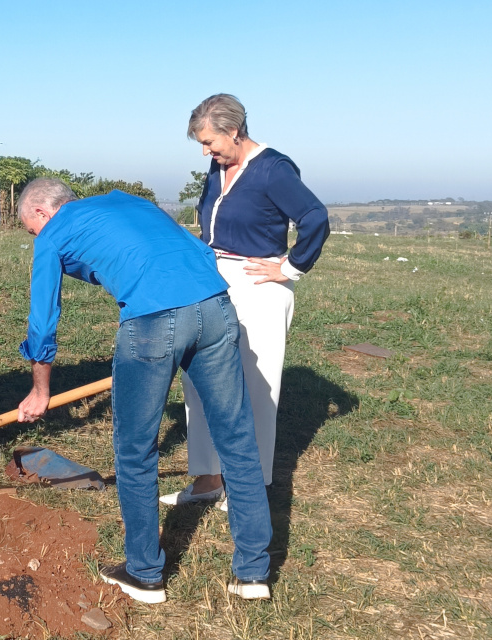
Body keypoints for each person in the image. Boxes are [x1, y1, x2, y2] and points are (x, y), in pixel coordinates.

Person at [14, 178, 272, 604]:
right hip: (217, 306)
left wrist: (40, 391)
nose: (35, 237)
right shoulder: (127, 202)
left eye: (30, 229)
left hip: (155, 322)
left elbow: (43, 318)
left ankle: (145, 573)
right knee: (238, 439)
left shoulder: (53, 232)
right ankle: (253, 574)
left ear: (42, 213)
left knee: (135, 451)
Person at [161, 93, 330, 509]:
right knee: (198, 377)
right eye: (201, 144)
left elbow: (315, 218)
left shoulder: (274, 169)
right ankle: (207, 478)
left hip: (258, 286)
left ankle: (245, 486)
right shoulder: (218, 166)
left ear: (234, 132)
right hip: (211, 280)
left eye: (209, 142)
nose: (205, 151)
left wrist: (289, 268)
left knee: (255, 387)